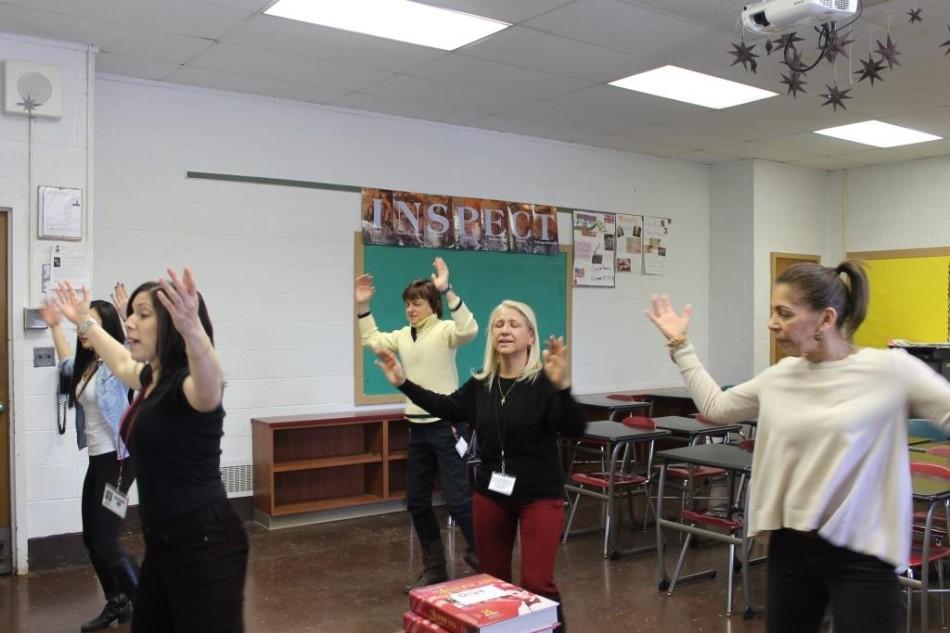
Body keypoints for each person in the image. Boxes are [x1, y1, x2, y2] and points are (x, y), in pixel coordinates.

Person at [646, 261, 950, 633]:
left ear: (825, 318)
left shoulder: (890, 371)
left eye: (784, 313)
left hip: (863, 554)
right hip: (792, 547)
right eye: (773, 311)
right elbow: (716, 408)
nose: (772, 322)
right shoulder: (781, 375)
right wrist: (681, 346)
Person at [53, 269, 248, 633]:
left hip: (206, 543)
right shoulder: (150, 379)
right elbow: (122, 361)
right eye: (131, 313)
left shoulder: (191, 387)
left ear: (172, 325)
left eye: (143, 314)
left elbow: (211, 379)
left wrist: (193, 330)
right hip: (162, 541)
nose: (129, 322)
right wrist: (84, 321)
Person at [375, 300, 586, 631]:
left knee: (537, 583)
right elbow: (444, 406)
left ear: (531, 336)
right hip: (491, 493)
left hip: (539, 495)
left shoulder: (545, 383)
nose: (504, 329)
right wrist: (403, 382)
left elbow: (574, 429)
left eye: (514, 324)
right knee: (493, 583)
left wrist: (563, 389)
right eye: (498, 324)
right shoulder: (481, 384)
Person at [356, 257, 479, 590]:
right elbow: (373, 342)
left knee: (457, 500)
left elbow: (469, 329)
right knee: (417, 501)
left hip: (447, 427)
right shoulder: (402, 336)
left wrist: (448, 289)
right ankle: (434, 565)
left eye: (418, 303)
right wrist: (363, 307)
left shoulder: (444, 330)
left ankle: (482, 555)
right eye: (408, 304)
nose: (411, 309)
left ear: (433, 305)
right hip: (417, 429)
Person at [40, 299, 139, 631]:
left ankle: (150, 604)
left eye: (90, 323)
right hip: (97, 462)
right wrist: (55, 326)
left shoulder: (116, 367)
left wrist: (128, 317)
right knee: (91, 539)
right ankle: (118, 603)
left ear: (104, 329)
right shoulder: (87, 366)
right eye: (82, 323)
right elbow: (67, 362)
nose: (83, 329)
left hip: (120, 462)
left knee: (107, 541)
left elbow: (131, 356)